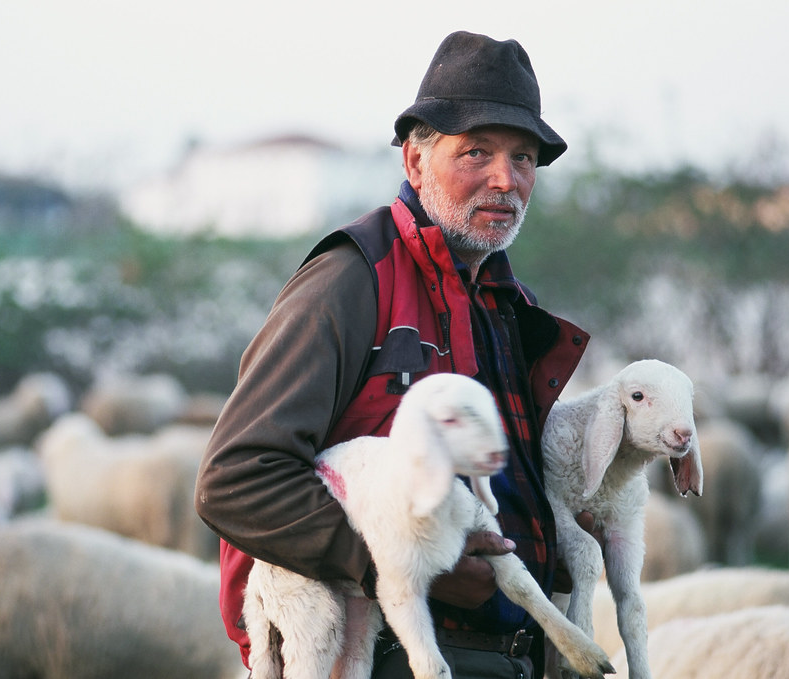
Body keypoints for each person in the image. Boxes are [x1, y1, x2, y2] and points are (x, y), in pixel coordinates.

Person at [194, 30, 590, 679]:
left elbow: (502, 488)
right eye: (477, 152)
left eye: (523, 158)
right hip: (379, 654)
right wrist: (395, 565)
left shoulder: (508, 303)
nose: (506, 179)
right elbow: (236, 478)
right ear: (414, 160)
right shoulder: (351, 281)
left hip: (508, 661)